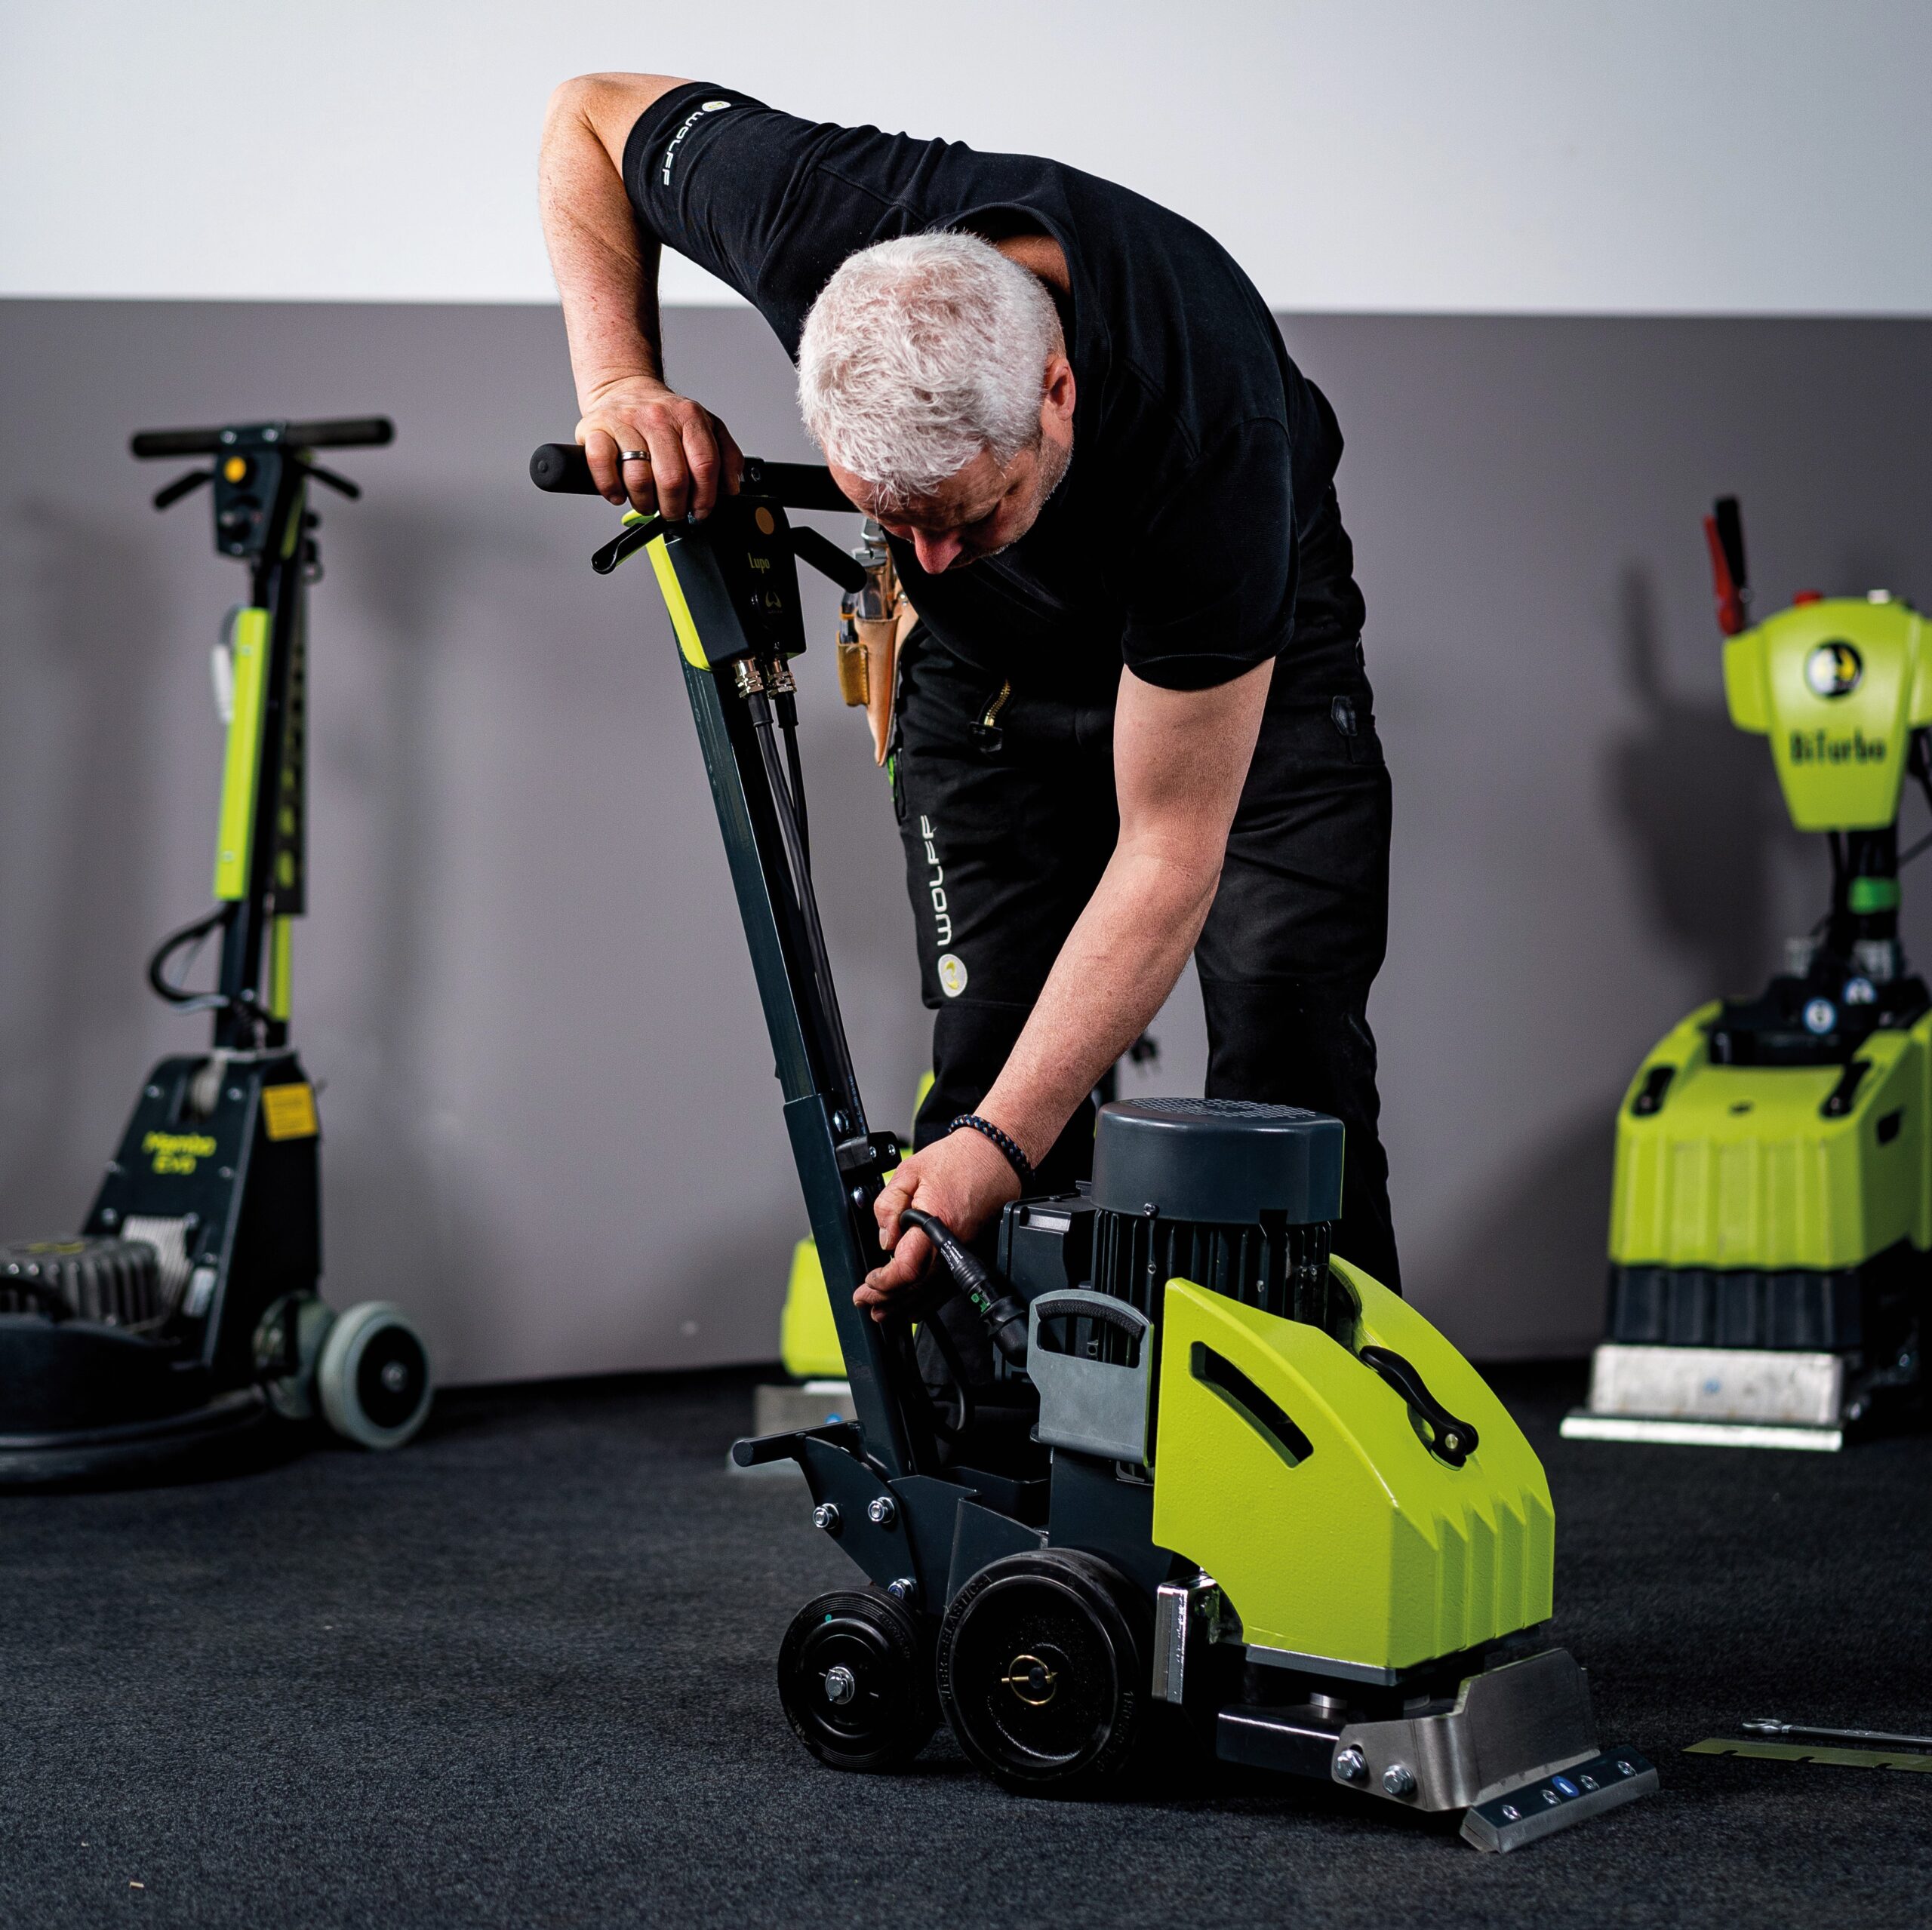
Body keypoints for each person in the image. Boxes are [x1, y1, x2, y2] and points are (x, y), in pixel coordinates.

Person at [540, 72, 1400, 1319]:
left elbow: (1167, 853)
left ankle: (1323, 1453)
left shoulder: (1204, 424)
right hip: (994, 670)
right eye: (897, 521)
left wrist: (997, 1147)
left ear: (1058, 392)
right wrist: (618, 381)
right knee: (991, 1048)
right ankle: (1000, 1471)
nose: (925, 560)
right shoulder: (814, 214)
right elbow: (586, 115)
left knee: (1288, 1050)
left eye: (964, 515)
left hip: (1245, 662)